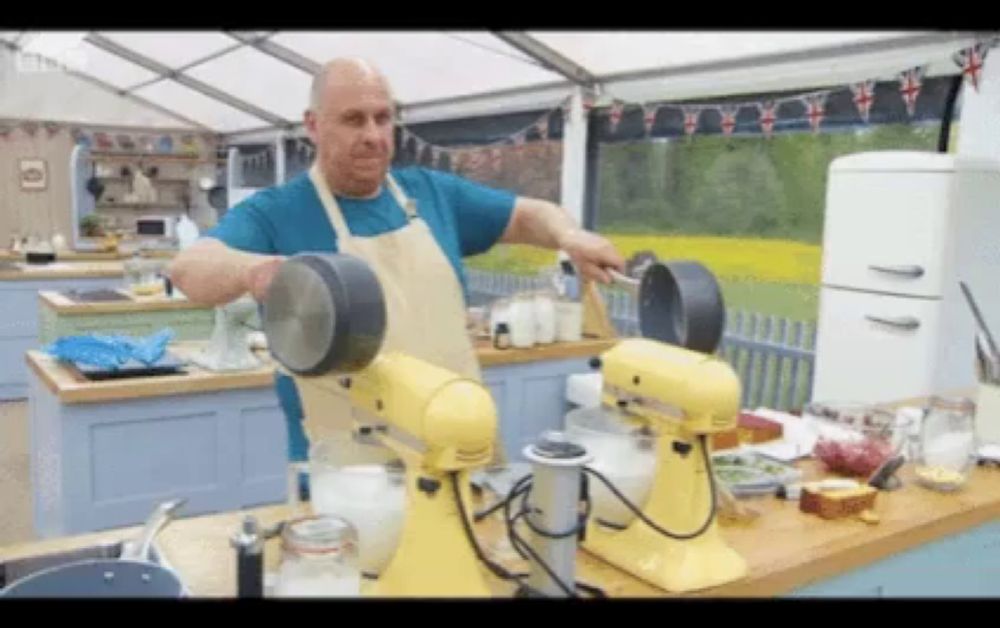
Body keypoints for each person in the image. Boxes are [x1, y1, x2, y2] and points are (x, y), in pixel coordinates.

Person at [168, 58, 625, 470]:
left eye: (382, 118)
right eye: (352, 120)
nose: (372, 135)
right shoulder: (277, 211)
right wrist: (255, 271)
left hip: (457, 450)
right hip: (350, 469)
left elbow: (530, 214)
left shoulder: (432, 194)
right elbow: (190, 268)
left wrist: (569, 235)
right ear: (313, 125)